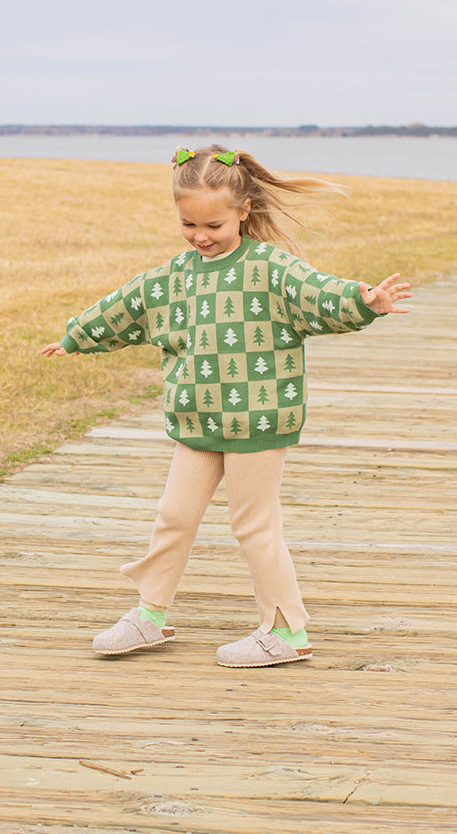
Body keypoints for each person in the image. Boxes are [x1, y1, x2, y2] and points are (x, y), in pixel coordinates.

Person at [41, 144, 410, 668]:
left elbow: (317, 293)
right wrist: (77, 337)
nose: (200, 236)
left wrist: (363, 301)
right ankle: (150, 615)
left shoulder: (269, 267)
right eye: (188, 223)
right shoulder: (175, 276)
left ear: (243, 211)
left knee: (253, 524)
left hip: (258, 419)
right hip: (197, 420)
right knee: (174, 516)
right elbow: (127, 305)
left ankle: (286, 630)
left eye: (213, 224)